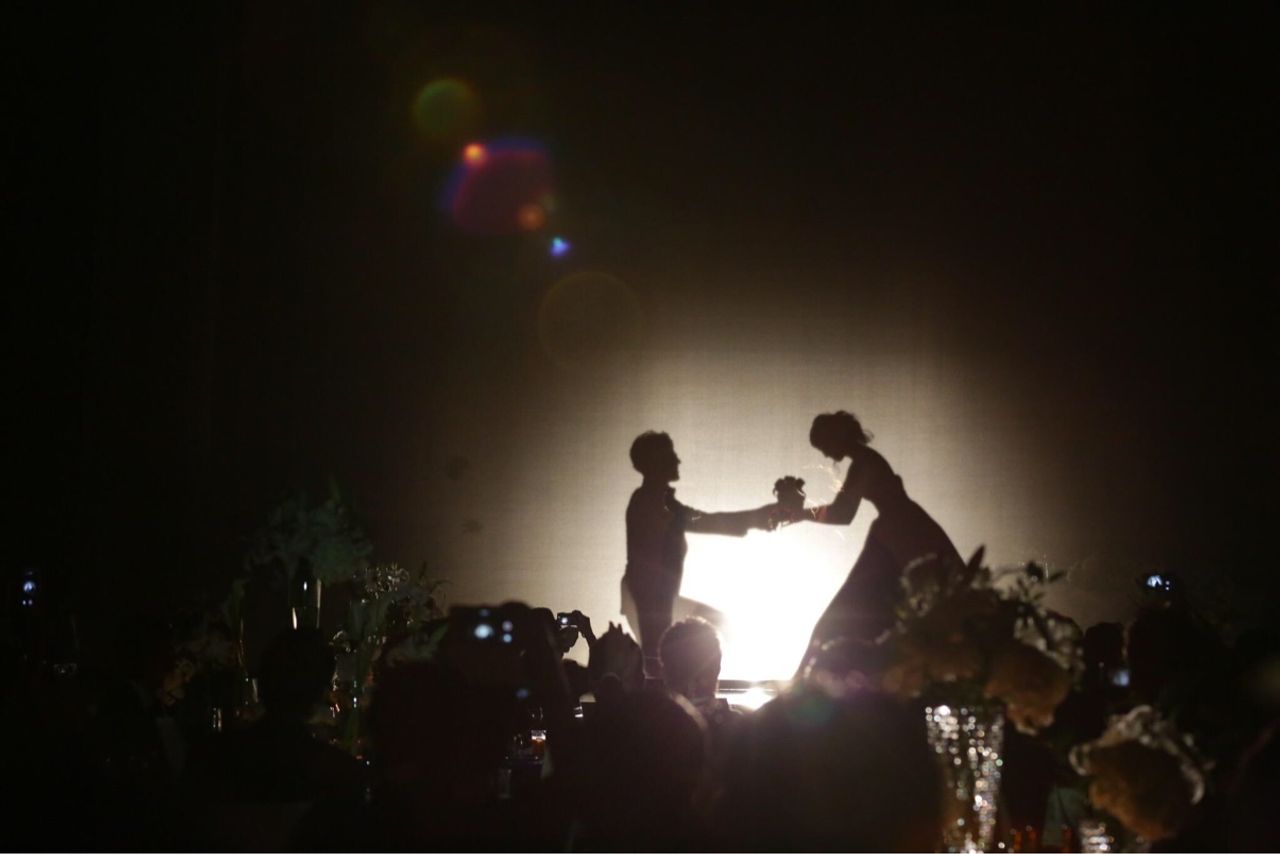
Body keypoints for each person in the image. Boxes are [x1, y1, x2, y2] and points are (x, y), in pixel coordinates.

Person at [789, 411, 962, 673]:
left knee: (848, 613)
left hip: (901, 532)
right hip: (901, 529)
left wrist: (799, 514)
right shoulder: (866, 461)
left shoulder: (864, 464)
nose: (825, 454)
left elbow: (842, 513)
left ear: (836, 437)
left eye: (824, 445)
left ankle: (810, 678)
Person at [624, 431, 775, 677]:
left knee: (695, 637)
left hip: (657, 596)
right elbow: (704, 521)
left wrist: (756, 518)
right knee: (660, 658)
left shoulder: (657, 501)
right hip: (651, 597)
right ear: (656, 461)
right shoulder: (652, 501)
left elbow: (701, 520)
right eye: (670, 455)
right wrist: (756, 518)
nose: (677, 460)